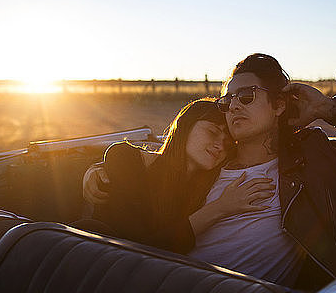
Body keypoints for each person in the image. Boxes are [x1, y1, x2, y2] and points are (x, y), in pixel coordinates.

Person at [84, 53, 336, 290]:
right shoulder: (208, 162)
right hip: (169, 287)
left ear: (278, 105)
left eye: (246, 96)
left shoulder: (316, 158)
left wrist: (328, 108)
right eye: (227, 100)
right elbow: (154, 171)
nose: (233, 106)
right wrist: (108, 165)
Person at [91, 98, 277, 254]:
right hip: (95, 261)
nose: (220, 146)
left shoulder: (207, 187)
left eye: (227, 144)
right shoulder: (124, 156)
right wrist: (221, 208)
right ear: (185, 127)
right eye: (212, 132)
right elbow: (139, 247)